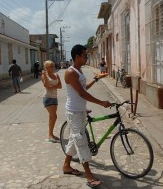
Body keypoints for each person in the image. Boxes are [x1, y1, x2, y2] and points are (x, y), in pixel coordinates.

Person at [62, 44, 111, 188]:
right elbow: (82, 94)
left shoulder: (79, 71)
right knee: (81, 142)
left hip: (80, 111)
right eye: (84, 55)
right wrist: (101, 102)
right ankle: (89, 177)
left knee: (74, 139)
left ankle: (66, 166)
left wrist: (96, 79)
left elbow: (83, 88)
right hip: (74, 112)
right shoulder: (70, 72)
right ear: (77, 57)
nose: (86, 57)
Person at [41, 60, 62, 142]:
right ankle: (50, 135)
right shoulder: (44, 75)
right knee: (54, 116)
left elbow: (60, 86)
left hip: (54, 97)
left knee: (51, 117)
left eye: (53, 66)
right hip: (47, 98)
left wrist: (52, 86)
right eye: (51, 66)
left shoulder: (56, 75)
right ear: (46, 68)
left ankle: (51, 134)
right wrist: (45, 75)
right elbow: (46, 85)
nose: (53, 67)